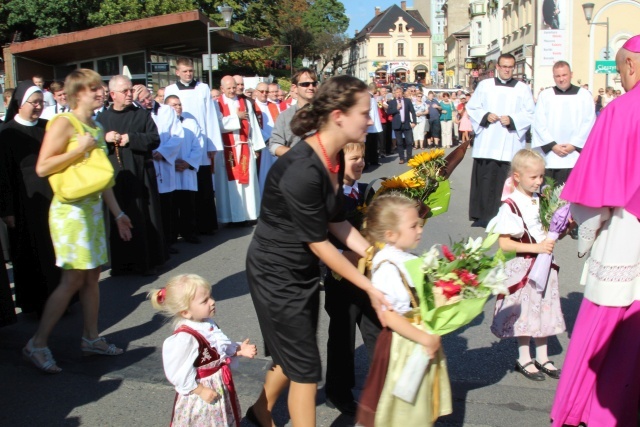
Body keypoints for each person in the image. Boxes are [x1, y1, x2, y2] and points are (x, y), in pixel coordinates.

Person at [245, 75, 389, 427]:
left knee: (291, 356)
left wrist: (382, 256)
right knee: (306, 370)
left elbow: (338, 223)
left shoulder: (331, 158)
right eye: (364, 113)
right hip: (276, 274)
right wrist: (370, 285)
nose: (370, 120)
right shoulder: (303, 168)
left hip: (299, 271)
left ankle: (260, 412)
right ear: (339, 115)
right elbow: (320, 242)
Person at [550, 35, 640, 427]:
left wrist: (583, 232)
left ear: (631, 65)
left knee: (606, 327)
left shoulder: (621, 111)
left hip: (627, 231)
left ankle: (588, 412)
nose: (620, 77)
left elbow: (594, 196)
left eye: (621, 69)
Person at [23, 69, 132, 373]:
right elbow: (43, 167)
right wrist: (80, 150)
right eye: (93, 89)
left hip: (93, 210)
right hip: (69, 212)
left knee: (92, 276)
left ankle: (91, 337)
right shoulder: (63, 123)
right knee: (73, 279)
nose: (100, 93)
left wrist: (119, 214)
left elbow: (101, 178)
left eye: (100, 88)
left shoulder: (95, 126)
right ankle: (38, 343)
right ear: (77, 93)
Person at [358, 193, 450, 426]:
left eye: (419, 223)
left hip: (416, 339)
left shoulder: (405, 257)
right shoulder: (388, 266)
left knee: (416, 403)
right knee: (399, 409)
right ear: (390, 234)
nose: (420, 229)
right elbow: (388, 316)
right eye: (413, 225)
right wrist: (423, 338)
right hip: (403, 343)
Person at [486, 149, 566, 381]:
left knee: (544, 308)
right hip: (524, 266)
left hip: (546, 264)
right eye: (534, 177)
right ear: (518, 176)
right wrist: (537, 248)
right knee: (525, 312)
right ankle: (524, 356)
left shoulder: (542, 200)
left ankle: (542, 355)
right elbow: (505, 244)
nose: (539, 181)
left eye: (541, 176)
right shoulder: (510, 206)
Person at [150, 274, 257, 427]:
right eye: (205, 301)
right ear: (186, 312)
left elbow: (216, 350)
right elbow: (179, 373)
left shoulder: (206, 324)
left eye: (210, 296)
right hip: (202, 391)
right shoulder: (185, 339)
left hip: (217, 384)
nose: (212, 302)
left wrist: (237, 349)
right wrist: (200, 390)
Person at [324, 141, 382, 417]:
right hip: (339, 278)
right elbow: (320, 238)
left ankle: (382, 388)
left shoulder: (368, 192)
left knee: (376, 332)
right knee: (342, 337)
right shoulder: (330, 196)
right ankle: (338, 392)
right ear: (337, 163)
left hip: (367, 276)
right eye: (353, 159)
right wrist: (340, 254)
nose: (360, 163)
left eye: (362, 157)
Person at [0, 82, 61, 316]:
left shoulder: (48, 127)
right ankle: (35, 303)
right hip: (24, 204)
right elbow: (3, 175)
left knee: (53, 250)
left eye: (40, 103)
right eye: (33, 103)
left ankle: (59, 300)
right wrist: (7, 210)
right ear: (19, 104)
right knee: (30, 253)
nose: (38, 107)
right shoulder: (7, 133)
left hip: (52, 198)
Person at [97, 75, 166, 276]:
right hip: (115, 178)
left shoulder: (141, 115)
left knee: (142, 216)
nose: (129, 94)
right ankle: (121, 264)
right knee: (117, 216)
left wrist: (131, 139)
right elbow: (91, 146)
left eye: (130, 90)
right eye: (125, 91)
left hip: (140, 174)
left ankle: (146, 262)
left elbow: (154, 139)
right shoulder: (102, 119)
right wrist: (104, 138)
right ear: (112, 94)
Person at [466, 53, 535, 226]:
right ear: (497, 67)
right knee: (485, 180)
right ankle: (483, 216)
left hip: (509, 142)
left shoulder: (522, 88)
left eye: (510, 67)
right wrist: (485, 115)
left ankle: (507, 217)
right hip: (488, 143)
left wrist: (512, 120)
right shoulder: (485, 85)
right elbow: (472, 107)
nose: (506, 70)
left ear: (514, 68)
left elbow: (531, 113)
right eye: (504, 66)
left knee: (506, 182)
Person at [164, 58, 222, 235]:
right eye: (185, 71)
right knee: (181, 188)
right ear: (177, 72)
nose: (189, 73)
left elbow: (210, 116)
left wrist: (212, 144)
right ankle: (182, 227)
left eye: (191, 70)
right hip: (178, 141)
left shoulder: (203, 88)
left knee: (202, 185)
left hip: (201, 142)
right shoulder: (170, 90)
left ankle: (205, 225)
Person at [133, 85, 184, 250]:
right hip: (149, 164)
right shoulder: (137, 114)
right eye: (142, 101)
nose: (147, 102)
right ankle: (156, 243)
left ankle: (168, 241)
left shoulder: (167, 111)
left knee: (166, 206)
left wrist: (163, 151)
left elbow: (177, 134)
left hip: (164, 161)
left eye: (148, 97)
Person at [532, 61, 595, 186]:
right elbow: (539, 123)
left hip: (575, 155)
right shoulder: (545, 95)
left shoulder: (584, 95)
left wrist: (574, 144)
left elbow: (589, 122)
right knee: (550, 198)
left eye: (564, 75)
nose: (561, 79)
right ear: (553, 76)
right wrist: (553, 145)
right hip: (551, 155)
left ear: (571, 74)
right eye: (558, 76)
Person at [215, 75, 265, 225]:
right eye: (228, 88)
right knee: (229, 185)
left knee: (247, 183)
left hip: (244, 146)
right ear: (222, 89)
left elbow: (253, 125)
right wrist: (236, 117)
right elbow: (218, 125)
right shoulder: (216, 104)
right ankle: (230, 218)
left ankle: (248, 215)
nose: (232, 90)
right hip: (227, 149)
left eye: (233, 87)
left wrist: (256, 146)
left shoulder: (245, 102)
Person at [164, 95, 203, 247]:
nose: (178, 107)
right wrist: (170, 162)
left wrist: (188, 163)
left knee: (188, 204)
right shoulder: (162, 124)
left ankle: (190, 232)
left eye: (179, 104)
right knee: (172, 206)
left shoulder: (191, 123)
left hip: (186, 169)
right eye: (174, 105)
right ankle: (172, 236)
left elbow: (198, 145)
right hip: (170, 169)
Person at [269, 68, 318, 157]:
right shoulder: (285, 116)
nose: (311, 87)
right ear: (294, 88)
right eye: (305, 84)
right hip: (296, 166)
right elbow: (274, 145)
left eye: (314, 84)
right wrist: (297, 154)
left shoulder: (325, 114)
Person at [253, 82, 280, 194]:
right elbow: (254, 126)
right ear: (256, 92)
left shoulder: (273, 106)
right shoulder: (253, 106)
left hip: (274, 144)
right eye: (262, 91)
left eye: (266, 92)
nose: (264, 94)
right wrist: (266, 139)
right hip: (262, 146)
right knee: (262, 173)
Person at [386, 85, 417, 164]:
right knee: (399, 143)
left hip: (406, 123)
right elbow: (389, 112)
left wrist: (414, 122)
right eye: (397, 92)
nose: (398, 94)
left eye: (399, 92)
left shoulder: (407, 101)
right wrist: (396, 109)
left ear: (402, 93)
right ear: (394, 94)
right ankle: (402, 158)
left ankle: (409, 157)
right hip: (397, 124)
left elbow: (412, 111)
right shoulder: (392, 102)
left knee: (409, 141)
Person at [365, 83, 383, 168]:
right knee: (368, 144)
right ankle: (368, 161)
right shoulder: (367, 97)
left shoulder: (372, 97)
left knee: (374, 144)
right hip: (370, 125)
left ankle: (373, 160)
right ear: (374, 89)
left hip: (374, 125)